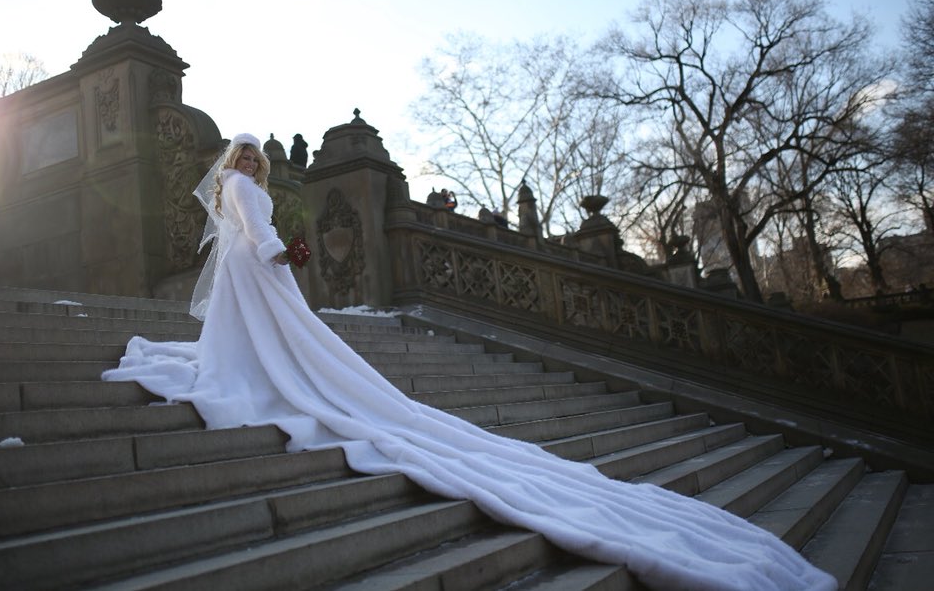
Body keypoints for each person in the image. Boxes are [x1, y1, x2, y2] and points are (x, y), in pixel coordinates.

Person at [103, 133, 835, 591]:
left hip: (250, 272)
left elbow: (253, 231)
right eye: (252, 157)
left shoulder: (239, 187)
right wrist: (283, 252)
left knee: (250, 346)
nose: (256, 165)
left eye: (259, 158)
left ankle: (246, 373)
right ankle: (250, 375)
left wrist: (278, 251)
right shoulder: (244, 190)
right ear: (238, 162)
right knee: (262, 346)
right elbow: (257, 232)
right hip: (255, 269)